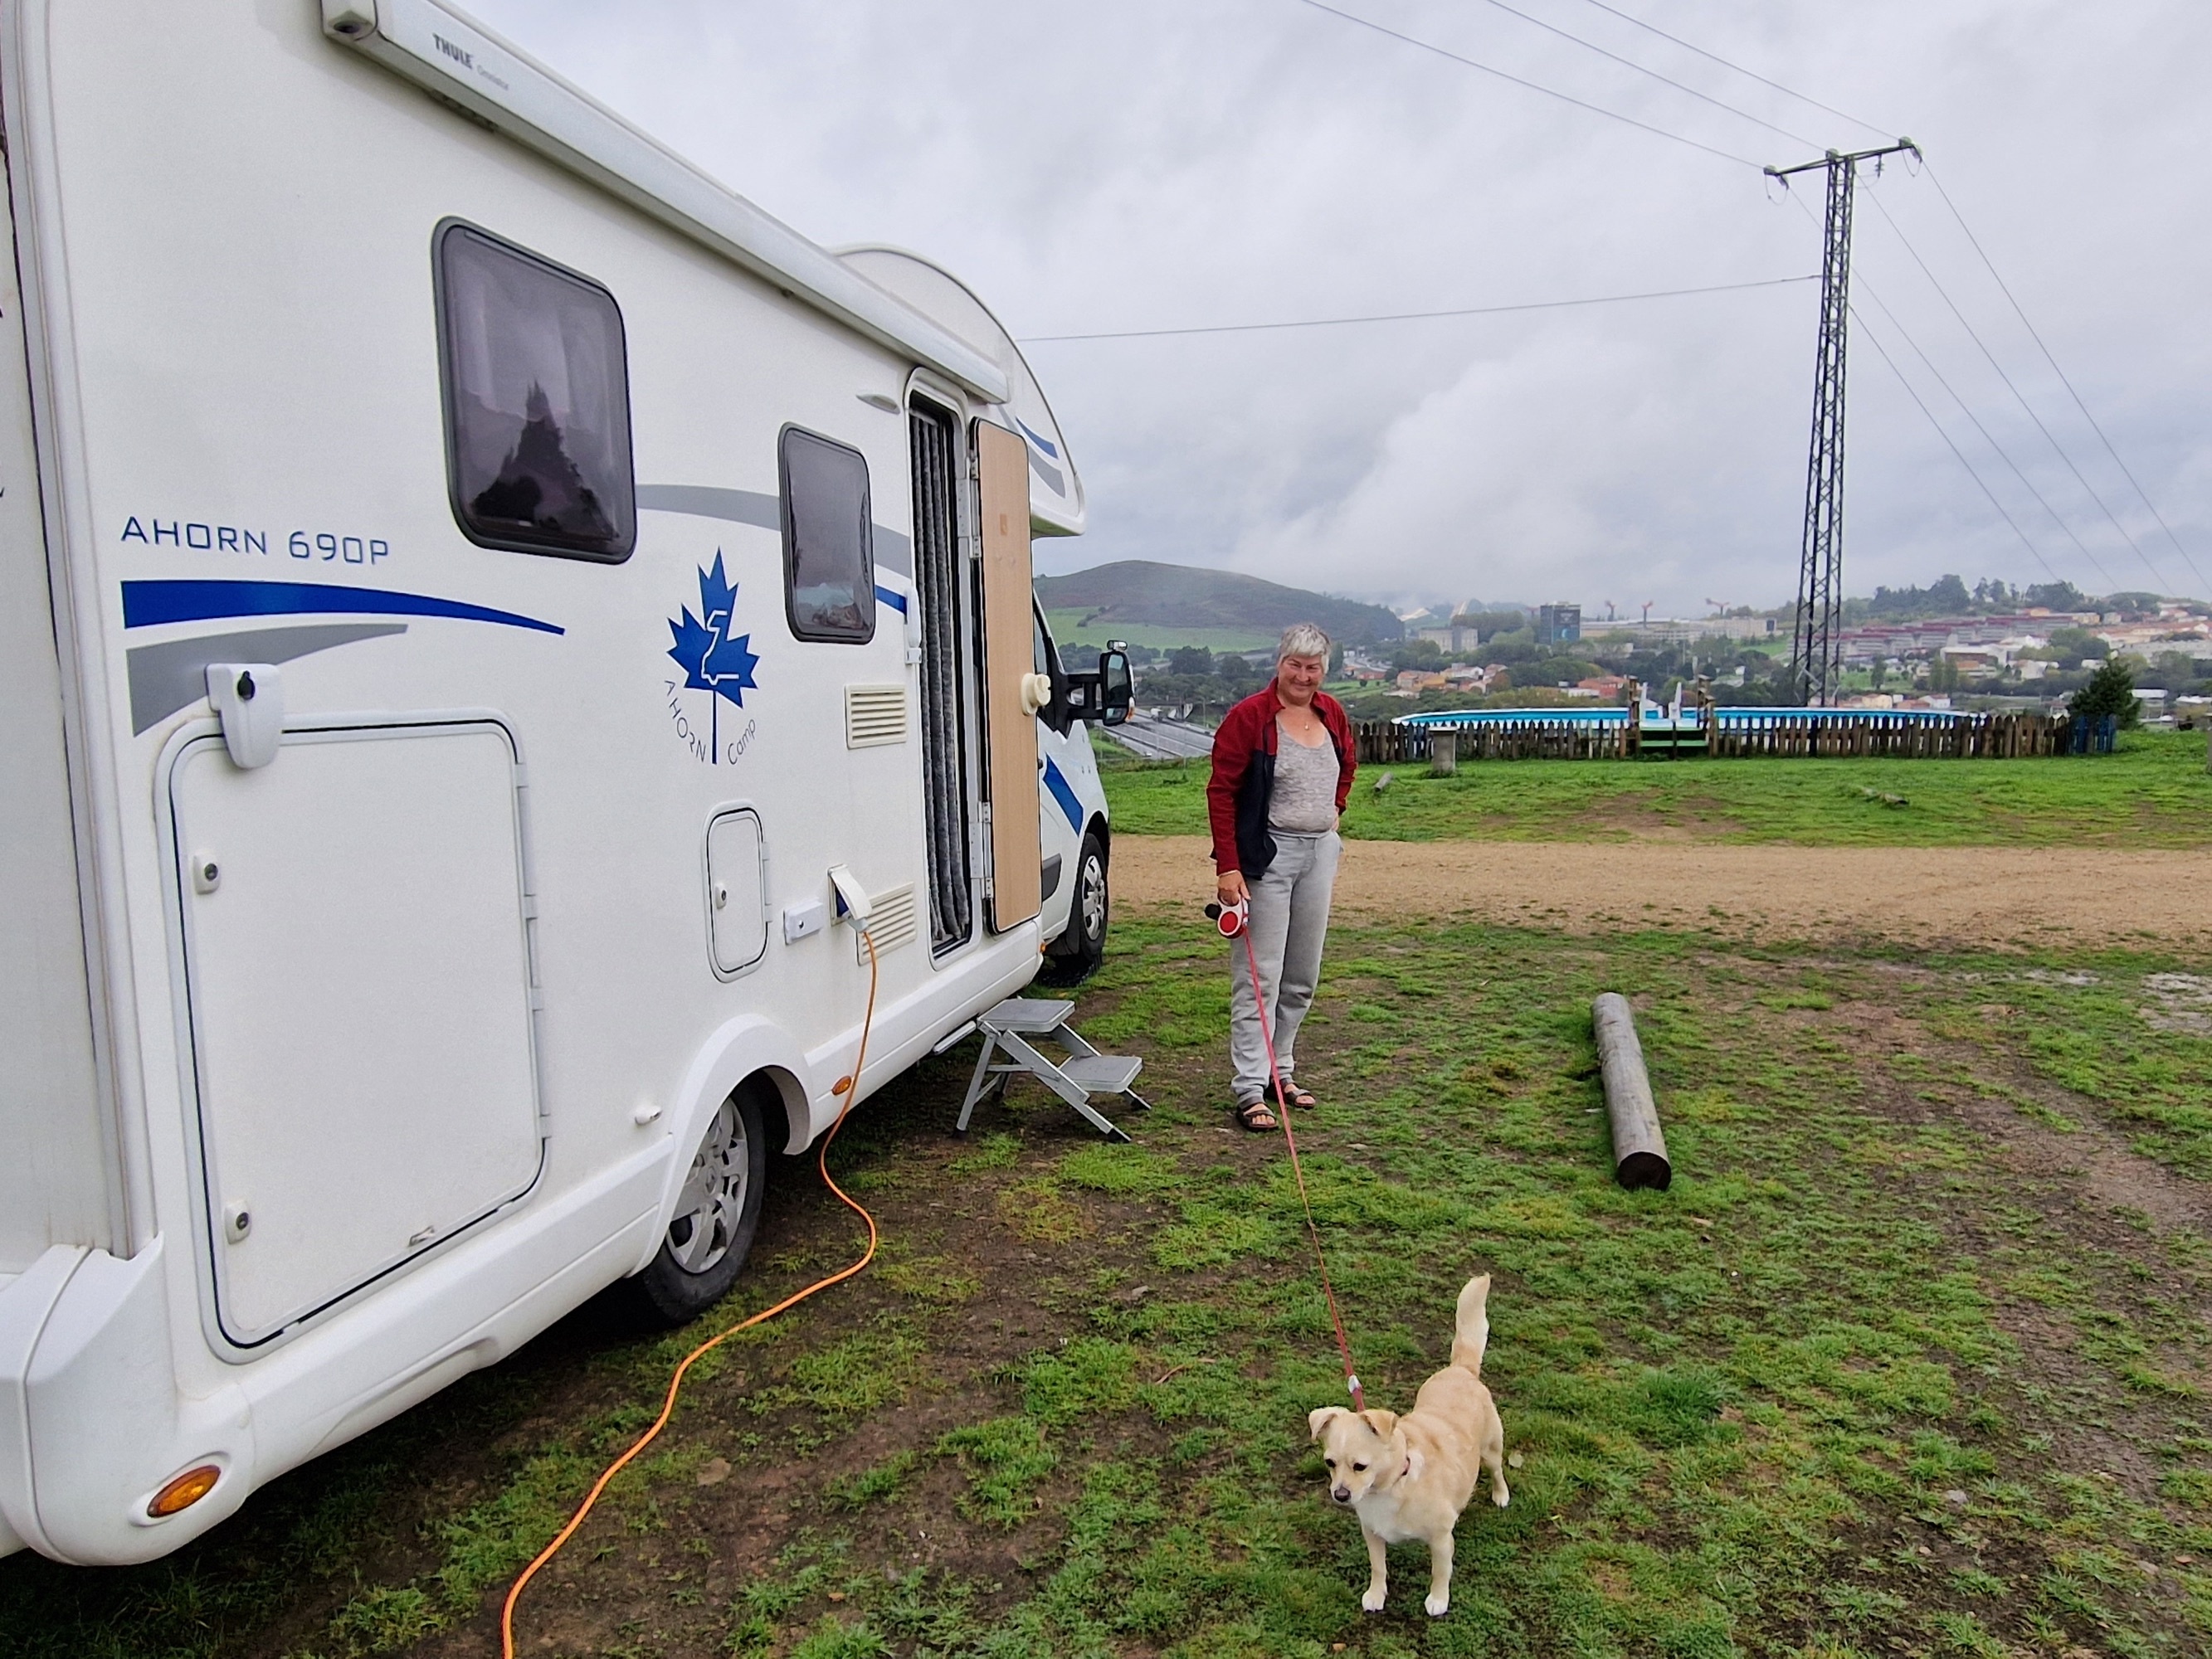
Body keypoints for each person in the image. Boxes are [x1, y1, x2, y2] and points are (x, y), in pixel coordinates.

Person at [1206, 623, 1357, 1131]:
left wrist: (1336, 809)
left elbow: (1348, 764)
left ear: (1324, 671)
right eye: (1295, 663)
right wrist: (1228, 867)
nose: (1303, 675)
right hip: (1265, 858)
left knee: (1301, 977)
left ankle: (1280, 1069)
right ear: (1280, 663)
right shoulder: (1249, 717)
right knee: (1259, 978)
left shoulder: (1331, 712)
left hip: (1320, 853)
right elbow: (1222, 791)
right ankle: (1250, 1088)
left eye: (1313, 667)